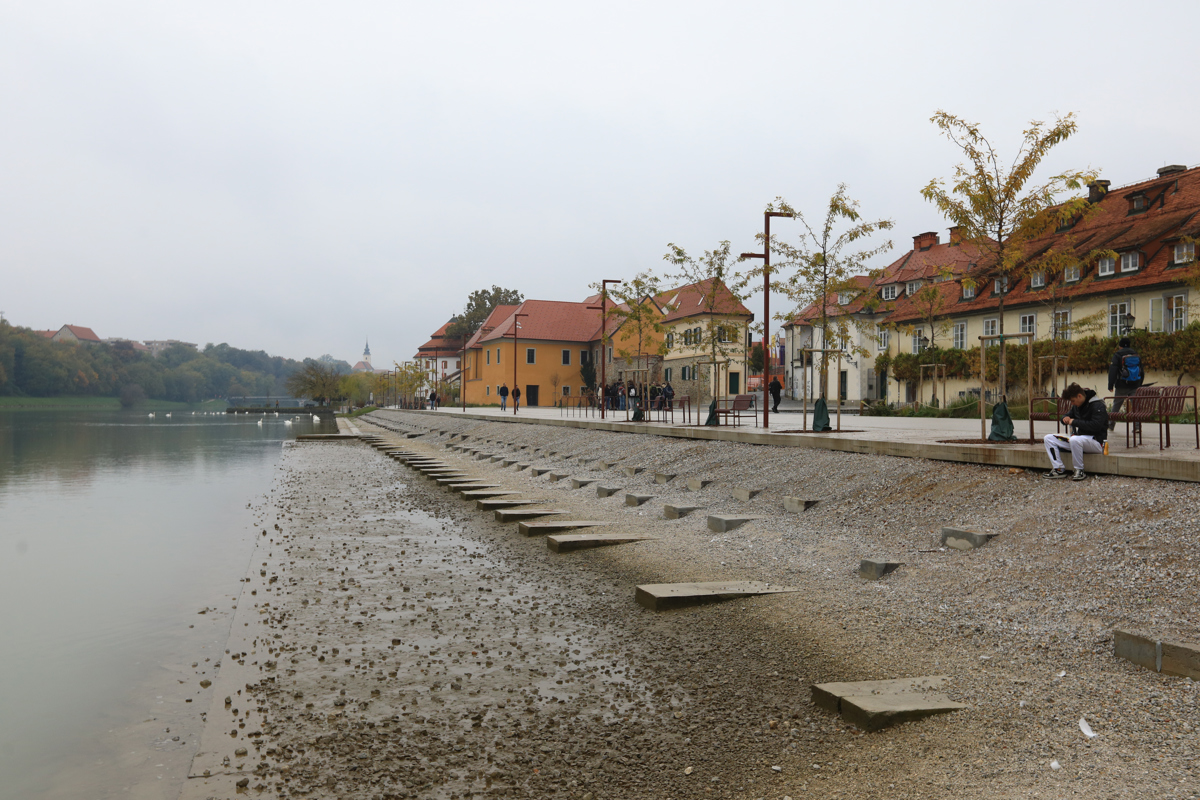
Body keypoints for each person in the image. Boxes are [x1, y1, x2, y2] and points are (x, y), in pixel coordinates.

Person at [1043, 382, 1109, 481]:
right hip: (1078, 440)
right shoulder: (1077, 405)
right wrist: (1065, 418)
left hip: (1096, 442)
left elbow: (1096, 426)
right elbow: (1067, 415)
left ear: (1079, 396)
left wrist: (1075, 422)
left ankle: (1079, 470)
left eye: (1073, 401)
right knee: (1048, 438)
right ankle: (1059, 469)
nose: (1072, 404)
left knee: (1074, 439)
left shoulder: (1098, 405)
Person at [1108, 337, 1143, 430]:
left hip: (1122, 384)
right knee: (1136, 406)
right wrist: (1140, 383)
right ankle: (1137, 426)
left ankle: (1111, 425)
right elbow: (1141, 370)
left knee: (1117, 405)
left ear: (1120, 346)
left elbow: (1113, 370)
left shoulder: (1118, 355)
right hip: (1135, 384)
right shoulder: (1136, 354)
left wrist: (1110, 384)